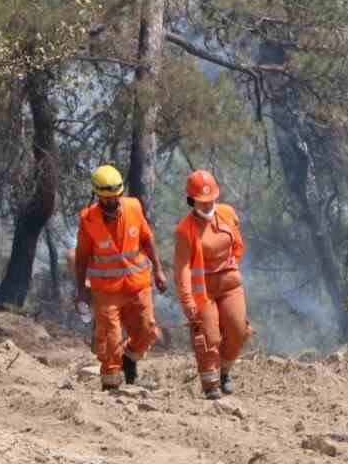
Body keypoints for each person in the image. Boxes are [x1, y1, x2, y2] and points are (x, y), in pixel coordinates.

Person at [71, 164, 167, 390]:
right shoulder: (88, 220)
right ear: (97, 196)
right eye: (105, 199)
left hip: (138, 285)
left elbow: (147, 240)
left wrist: (159, 270)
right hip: (106, 291)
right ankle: (111, 384)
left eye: (115, 197)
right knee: (110, 339)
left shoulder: (134, 207)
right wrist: (81, 290)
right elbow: (82, 256)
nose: (111, 203)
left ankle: (130, 357)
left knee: (147, 330)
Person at [173, 169, 248, 400]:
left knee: (238, 331)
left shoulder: (227, 214)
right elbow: (182, 268)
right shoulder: (184, 230)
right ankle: (210, 385)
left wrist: (233, 264)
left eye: (211, 200)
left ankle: (224, 372)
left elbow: (236, 244)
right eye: (202, 201)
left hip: (230, 285)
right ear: (191, 200)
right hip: (202, 291)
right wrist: (187, 301)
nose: (207, 205)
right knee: (209, 338)